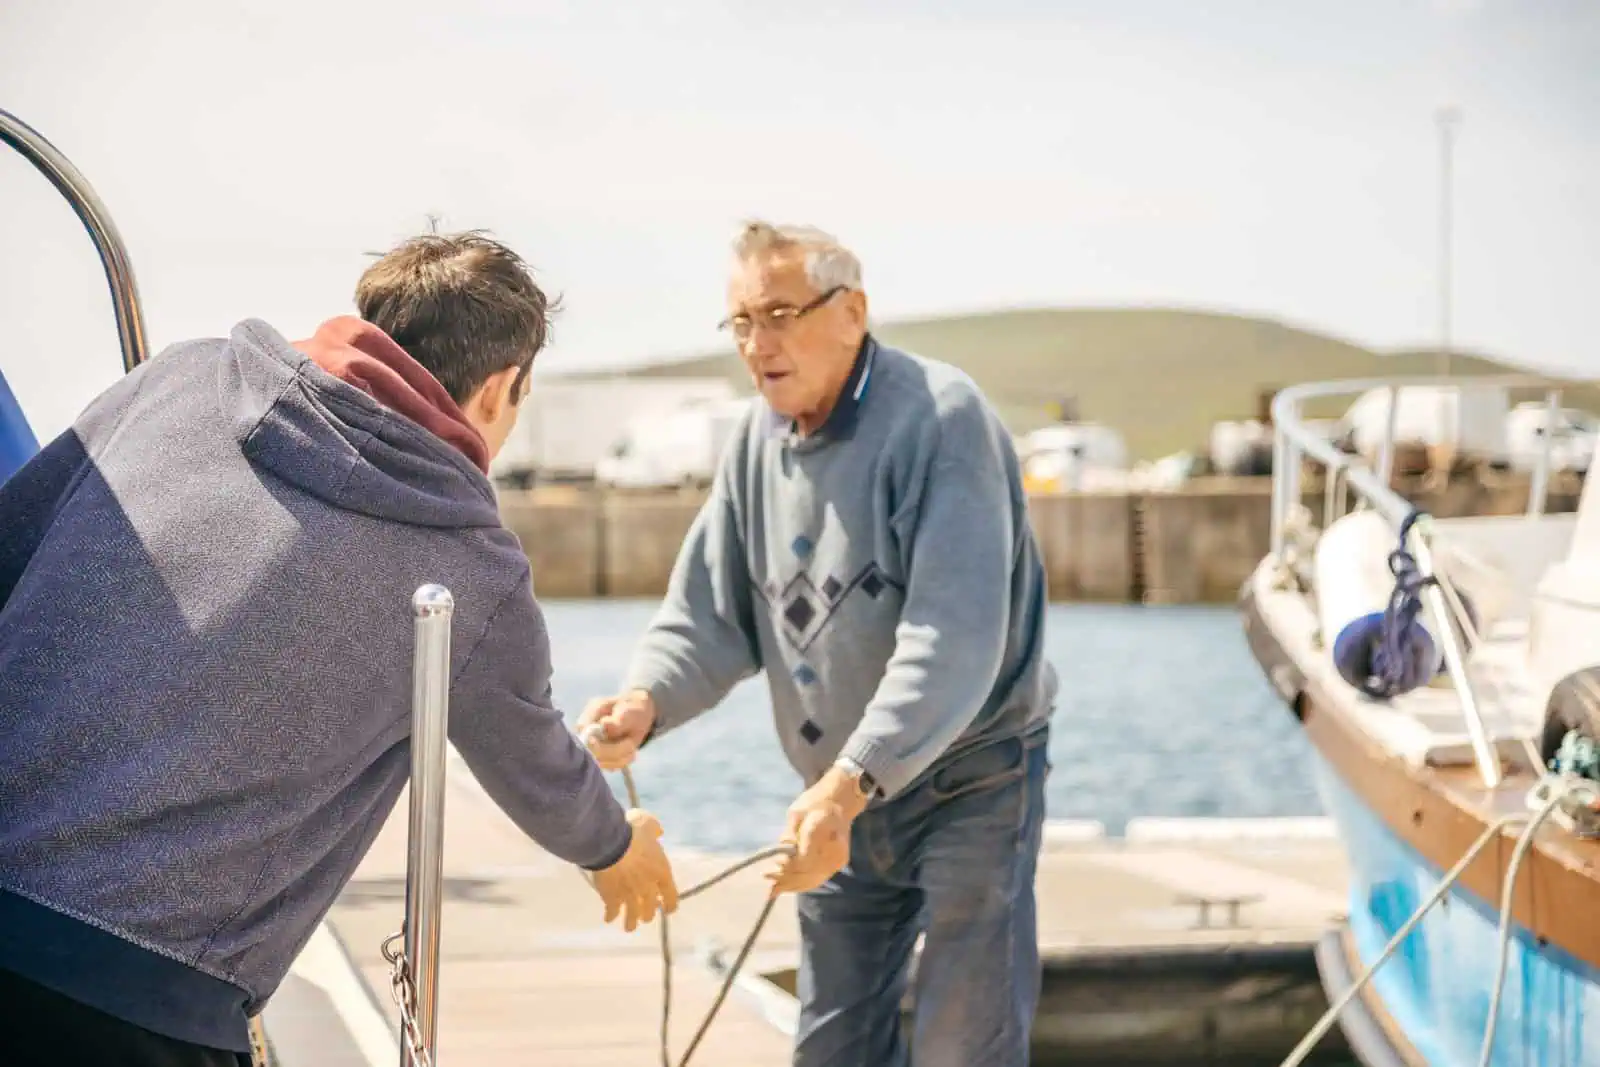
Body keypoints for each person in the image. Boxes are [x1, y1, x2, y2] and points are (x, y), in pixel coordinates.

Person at [0, 231, 678, 1066]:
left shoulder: (178, 378)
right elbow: (533, 759)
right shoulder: (467, 563)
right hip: (141, 996)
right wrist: (614, 848)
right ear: (502, 387)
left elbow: (11, 544)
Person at [579, 220, 1058, 1067]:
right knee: (831, 1048)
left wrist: (848, 784)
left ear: (852, 312)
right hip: (836, 795)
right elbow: (710, 615)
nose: (757, 344)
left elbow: (954, 634)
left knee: (963, 1047)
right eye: (740, 323)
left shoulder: (944, 419)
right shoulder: (754, 445)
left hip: (970, 781)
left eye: (779, 314)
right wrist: (645, 700)